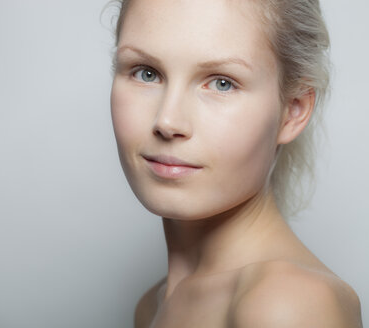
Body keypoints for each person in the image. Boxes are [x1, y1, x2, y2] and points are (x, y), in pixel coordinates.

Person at [107, 0, 363, 327]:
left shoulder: (287, 305)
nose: (167, 121)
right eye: (147, 73)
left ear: (293, 110)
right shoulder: (151, 307)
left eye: (221, 82)